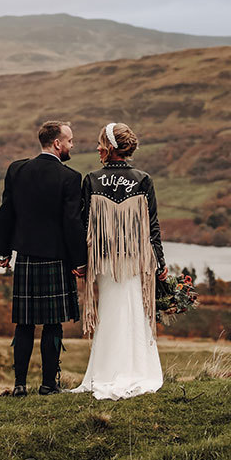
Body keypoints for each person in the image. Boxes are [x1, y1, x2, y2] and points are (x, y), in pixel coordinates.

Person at [73, 122, 168, 400]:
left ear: (110, 148)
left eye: (101, 142)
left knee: (111, 312)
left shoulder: (92, 179)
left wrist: (81, 262)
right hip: (135, 260)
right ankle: (137, 369)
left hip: (104, 261)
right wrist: (159, 264)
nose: (98, 147)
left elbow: (83, 225)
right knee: (135, 312)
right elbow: (152, 228)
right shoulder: (142, 179)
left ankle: (105, 371)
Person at [0, 120, 87, 397]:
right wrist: (79, 262)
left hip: (24, 256)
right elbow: (73, 223)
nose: (72, 145)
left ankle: (20, 385)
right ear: (57, 143)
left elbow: (6, 212)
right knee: (52, 324)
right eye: (69, 140)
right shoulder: (70, 177)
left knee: (23, 323)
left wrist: (3, 251)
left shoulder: (17, 169)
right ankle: (49, 385)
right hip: (55, 258)